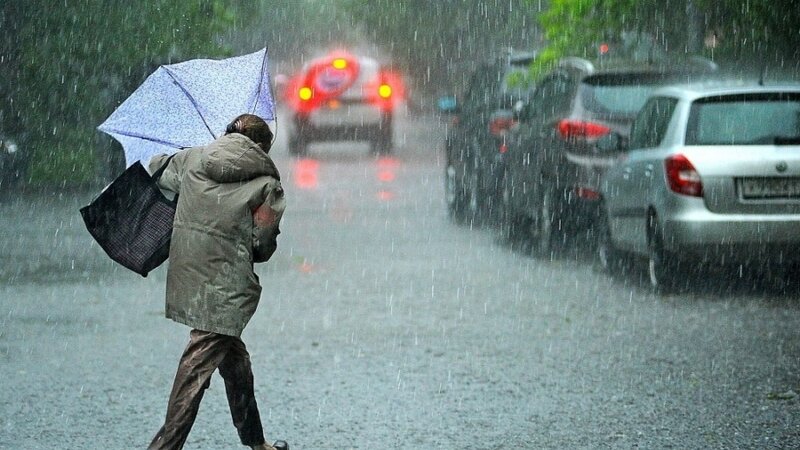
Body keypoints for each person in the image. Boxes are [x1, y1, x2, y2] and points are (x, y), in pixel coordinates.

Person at [146, 114, 287, 450]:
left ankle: (257, 443)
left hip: (189, 271)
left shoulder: (193, 158)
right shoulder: (267, 184)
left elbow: (156, 167)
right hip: (227, 284)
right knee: (194, 373)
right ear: (261, 147)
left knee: (236, 364)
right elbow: (263, 243)